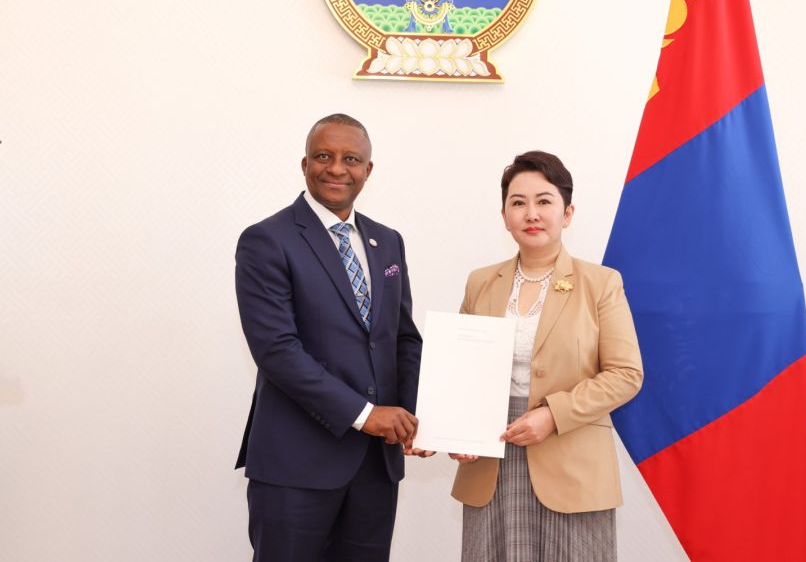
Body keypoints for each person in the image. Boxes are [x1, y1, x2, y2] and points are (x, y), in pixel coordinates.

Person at [234, 113, 423, 562]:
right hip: (295, 466)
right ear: (305, 164)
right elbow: (277, 351)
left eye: (350, 159)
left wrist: (421, 419)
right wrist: (366, 415)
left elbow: (403, 340)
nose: (337, 168)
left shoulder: (388, 241)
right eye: (324, 156)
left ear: (368, 170)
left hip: (375, 468)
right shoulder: (266, 240)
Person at [449, 151, 643, 562]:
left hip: (572, 458)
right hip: (491, 457)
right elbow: (462, 371)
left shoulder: (601, 283)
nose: (531, 213)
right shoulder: (480, 282)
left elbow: (626, 374)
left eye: (544, 201)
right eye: (518, 202)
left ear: (567, 213)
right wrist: (458, 432)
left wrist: (553, 415)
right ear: (504, 216)